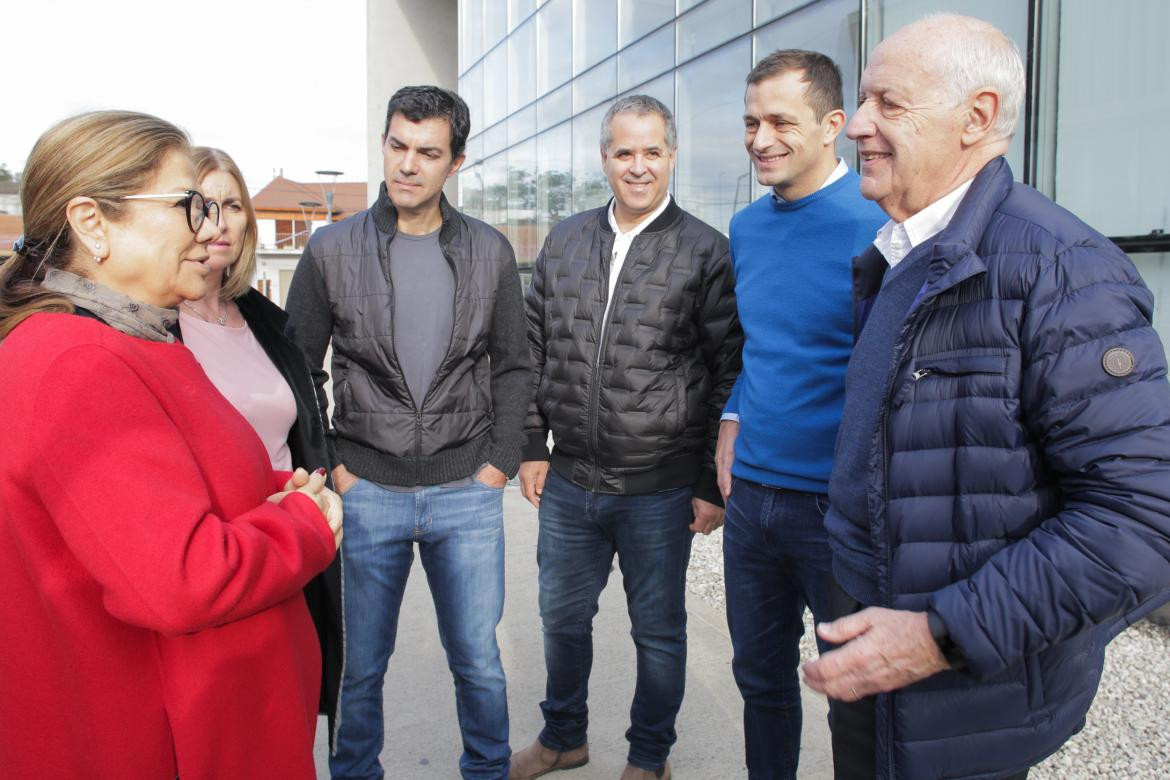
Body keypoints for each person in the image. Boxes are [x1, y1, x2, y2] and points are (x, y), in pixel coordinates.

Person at [799, 15, 1170, 779]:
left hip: (963, 704)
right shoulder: (901, 254)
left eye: (888, 105)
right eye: (864, 100)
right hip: (876, 677)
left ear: (978, 117)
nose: (858, 125)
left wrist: (939, 635)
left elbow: (1142, 520)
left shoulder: (1064, 272)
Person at [0, 110, 343, 780]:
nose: (209, 227)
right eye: (188, 204)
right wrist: (301, 523)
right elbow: (178, 580)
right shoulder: (79, 364)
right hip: (171, 741)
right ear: (92, 224)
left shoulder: (128, 339)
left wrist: (272, 495)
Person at [284, 85, 529, 780]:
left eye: (428, 152)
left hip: (465, 492)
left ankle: (486, 771)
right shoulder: (332, 249)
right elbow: (300, 371)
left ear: (456, 162)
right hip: (365, 493)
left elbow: (514, 366)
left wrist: (498, 464)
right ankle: (355, 772)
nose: (408, 166)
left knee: (478, 662)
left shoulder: (489, 250)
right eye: (397, 147)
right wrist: (334, 467)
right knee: (359, 666)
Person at [511, 95, 742, 780]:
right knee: (560, 621)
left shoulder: (706, 251)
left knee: (660, 634)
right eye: (623, 152)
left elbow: (728, 369)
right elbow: (531, 346)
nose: (637, 166)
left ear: (671, 155)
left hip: (660, 490)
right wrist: (530, 443)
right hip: (571, 481)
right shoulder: (565, 239)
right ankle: (563, 738)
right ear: (605, 158)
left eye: (651, 152)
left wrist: (708, 481)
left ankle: (649, 757)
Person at [714, 50, 887, 780]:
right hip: (751, 499)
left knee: (855, 696)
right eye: (752, 122)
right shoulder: (747, 227)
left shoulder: (879, 224)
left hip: (837, 509)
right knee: (760, 681)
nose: (760, 138)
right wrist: (730, 420)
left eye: (781, 121)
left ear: (833, 126)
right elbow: (758, 344)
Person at [178, 146, 345, 750]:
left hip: (290, 544)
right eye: (200, 205)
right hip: (214, 550)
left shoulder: (264, 319)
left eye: (230, 205)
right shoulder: (147, 326)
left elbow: (307, 403)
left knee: (285, 722)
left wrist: (322, 477)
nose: (218, 222)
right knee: (222, 734)